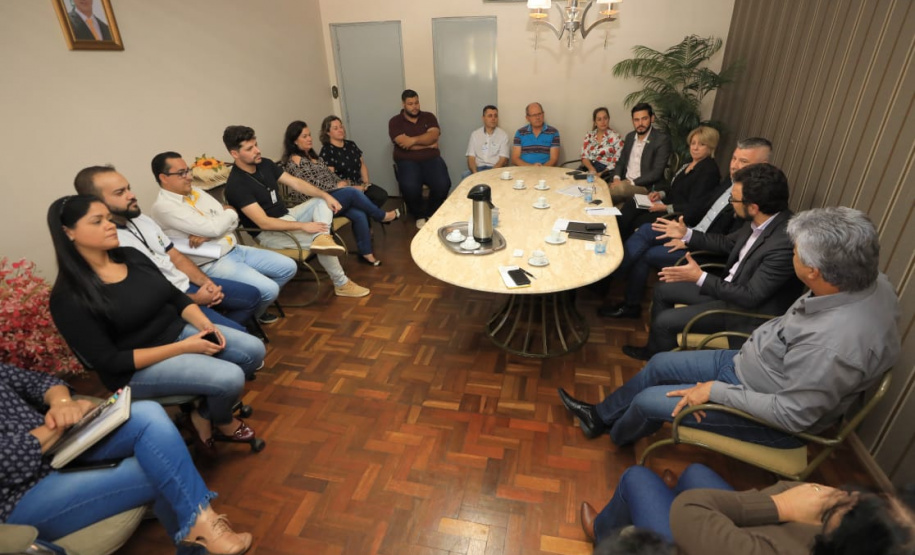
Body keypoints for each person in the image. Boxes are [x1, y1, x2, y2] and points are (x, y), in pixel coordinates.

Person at [558, 206, 900, 447]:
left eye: (795, 252)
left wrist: (714, 392)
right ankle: (599, 417)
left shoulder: (836, 344)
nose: (790, 253)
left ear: (814, 271)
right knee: (661, 363)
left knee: (648, 401)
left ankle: (617, 440)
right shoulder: (868, 280)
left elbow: (792, 416)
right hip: (754, 363)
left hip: (766, 413)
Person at [47, 195, 266, 455]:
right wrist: (185, 348)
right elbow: (110, 362)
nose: (109, 225)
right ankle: (223, 419)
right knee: (229, 377)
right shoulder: (68, 297)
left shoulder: (130, 256)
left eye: (108, 218)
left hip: (177, 334)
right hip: (136, 368)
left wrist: (207, 325)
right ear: (68, 232)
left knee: (253, 350)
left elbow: (174, 296)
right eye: (97, 221)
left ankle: (203, 414)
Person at [1, 363, 253, 555]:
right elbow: (10, 461)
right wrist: (60, 425)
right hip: (20, 496)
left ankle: (201, 526)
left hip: (58, 450)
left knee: (147, 413)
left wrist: (62, 402)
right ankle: (199, 543)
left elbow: (39, 381)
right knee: (159, 465)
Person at [622, 163, 803, 360]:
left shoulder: (783, 244)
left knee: (664, 321)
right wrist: (687, 234)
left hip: (744, 311)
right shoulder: (763, 219)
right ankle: (655, 352)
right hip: (728, 289)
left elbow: (750, 296)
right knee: (662, 289)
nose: (730, 202)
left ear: (753, 207)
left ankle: (664, 367)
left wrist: (700, 277)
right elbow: (726, 242)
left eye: (733, 198)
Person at [599, 137, 772, 319]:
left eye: (743, 161)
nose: (735, 166)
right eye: (733, 158)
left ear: (763, 165)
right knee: (647, 229)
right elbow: (700, 205)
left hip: (702, 251)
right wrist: (681, 225)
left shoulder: (755, 201)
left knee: (646, 254)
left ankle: (626, 300)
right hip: (692, 231)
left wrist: (690, 240)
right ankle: (611, 276)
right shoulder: (729, 183)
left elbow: (729, 244)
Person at [74, 165, 261, 332]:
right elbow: (146, 297)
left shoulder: (143, 220)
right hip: (172, 302)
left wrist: (206, 283)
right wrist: (195, 298)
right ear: (95, 202)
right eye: (120, 192)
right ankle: (225, 336)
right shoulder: (107, 242)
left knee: (252, 296)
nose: (131, 195)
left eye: (128, 188)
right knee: (241, 339)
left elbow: (176, 257)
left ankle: (219, 336)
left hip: (187, 284)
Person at [581, 463, 915, 555]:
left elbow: (690, 508)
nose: (848, 496)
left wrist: (783, 504)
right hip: (750, 527)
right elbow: (783, 491)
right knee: (696, 472)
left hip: (723, 535)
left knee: (636, 478)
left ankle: (603, 533)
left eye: (853, 507)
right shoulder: (844, 534)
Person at [149, 151, 297, 325]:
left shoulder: (196, 191)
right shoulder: (163, 207)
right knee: (270, 289)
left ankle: (256, 308)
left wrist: (220, 223)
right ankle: (249, 319)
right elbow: (217, 225)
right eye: (181, 173)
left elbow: (232, 220)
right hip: (213, 262)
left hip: (235, 249)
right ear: (163, 178)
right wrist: (223, 219)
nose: (189, 176)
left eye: (188, 170)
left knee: (288, 267)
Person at [222, 125, 370, 298]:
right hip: (269, 233)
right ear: (234, 154)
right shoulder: (237, 185)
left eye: (256, 144)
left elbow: (296, 183)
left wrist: (325, 195)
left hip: (289, 215)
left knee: (321, 202)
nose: (257, 150)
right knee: (319, 241)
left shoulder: (265, 164)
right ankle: (341, 284)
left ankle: (322, 237)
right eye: (250, 148)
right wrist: (303, 226)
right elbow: (264, 222)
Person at [280, 121, 399, 266]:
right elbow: (311, 186)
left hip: (330, 197)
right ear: (294, 141)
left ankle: (366, 253)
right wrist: (339, 186)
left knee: (359, 214)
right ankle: (382, 216)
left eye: (309, 135)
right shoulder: (295, 161)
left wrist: (343, 183)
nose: (309, 139)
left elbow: (330, 176)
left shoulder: (312, 156)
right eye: (304, 136)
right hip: (315, 203)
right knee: (351, 193)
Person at [615, 125, 721, 241]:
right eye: (693, 143)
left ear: (710, 147)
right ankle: (616, 238)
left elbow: (695, 206)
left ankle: (622, 245)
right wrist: (660, 194)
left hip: (676, 214)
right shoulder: (688, 163)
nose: (695, 148)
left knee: (639, 220)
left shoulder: (709, 170)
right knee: (631, 204)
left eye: (701, 144)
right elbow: (673, 187)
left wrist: (665, 208)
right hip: (664, 203)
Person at [388, 89, 451, 229]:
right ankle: (419, 215)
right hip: (407, 161)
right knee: (410, 187)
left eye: (416, 102)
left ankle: (431, 212)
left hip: (431, 160)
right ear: (403, 104)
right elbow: (403, 144)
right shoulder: (395, 121)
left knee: (443, 184)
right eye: (410, 104)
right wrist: (428, 145)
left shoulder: (429, 117)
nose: (414, 106)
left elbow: (434, 136)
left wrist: (413, 141)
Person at [318, 115, 389, 208]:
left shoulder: (351, 144)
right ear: (328, 132)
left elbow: (362, 164)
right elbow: (330, 180)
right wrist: (353, 188)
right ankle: (374, 215)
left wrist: (365, 183)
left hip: (359, 183)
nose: (340, 130)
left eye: (341, 126)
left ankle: (370, 214)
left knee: (381, 195)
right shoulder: (327, 150)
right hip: (344, 189)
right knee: (361, 203)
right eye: (335, 128)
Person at [610, 103, 672, 203]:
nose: (640, 123)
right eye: (636, 120)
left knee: (619, 189)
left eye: (644, 119)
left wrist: (630, 182)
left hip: (645, 187)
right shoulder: (630, 137)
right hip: (623, 182)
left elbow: (656, 173)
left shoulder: (661, 140)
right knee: (602, 187)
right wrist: (616, 178)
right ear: (632, 121)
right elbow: (621, 162)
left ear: (652, 118)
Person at [463, 105, 510, 178]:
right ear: (483, 118)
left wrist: (490, 174)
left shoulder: (503, 135)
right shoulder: (475, 134)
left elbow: (503, 160)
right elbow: (471, 158)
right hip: (478, 169)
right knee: (465, 176)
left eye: (495, 116)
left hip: (495, 169)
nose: (493, 119)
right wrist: (475, 174)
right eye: (490, 116)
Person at [511, 102, 561, 167]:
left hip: (546, 171)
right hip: (525, 170)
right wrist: (531, 167)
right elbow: (515, 159)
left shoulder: (553, 132)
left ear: (543, 114)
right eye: (534, 115)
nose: (537, 117)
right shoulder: (520, 133)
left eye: (539, 114)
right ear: (527, 118)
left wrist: (541, 170)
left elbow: (554, 159)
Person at [580, 107, 624, 180]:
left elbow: (618, 161)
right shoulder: (589, 135)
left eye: (605, 118)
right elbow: (584, 156)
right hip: (589, 167)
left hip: (606, 171)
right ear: (595, 122)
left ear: (608, 119)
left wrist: (602, 173)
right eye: (599, 119)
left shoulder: (615, 137)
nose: (603, 122)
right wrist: (592, 170)